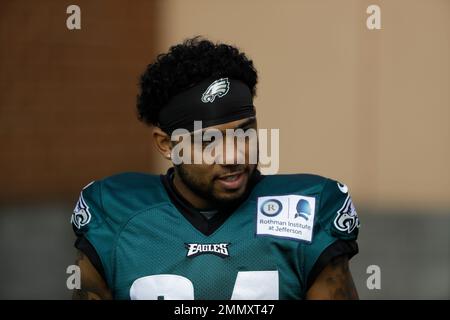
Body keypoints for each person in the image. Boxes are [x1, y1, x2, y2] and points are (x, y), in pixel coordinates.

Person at [71, 37, 360, 300]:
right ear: (166, 144)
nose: (233, 155)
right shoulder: (115, 213)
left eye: (245, 133)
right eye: (208, 140)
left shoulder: (305, 210)